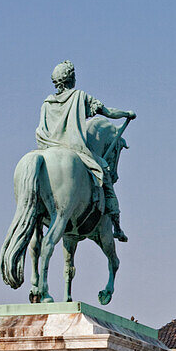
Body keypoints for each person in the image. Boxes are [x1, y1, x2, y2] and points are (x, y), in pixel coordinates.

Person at [35, 60, 135, 242]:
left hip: (47, 148)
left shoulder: (47, 103)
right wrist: (127, 114)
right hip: (75, 149)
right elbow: (108, 112)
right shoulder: (79, 96)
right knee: (104, 171)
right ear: (72, 79)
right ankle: (116, 225)